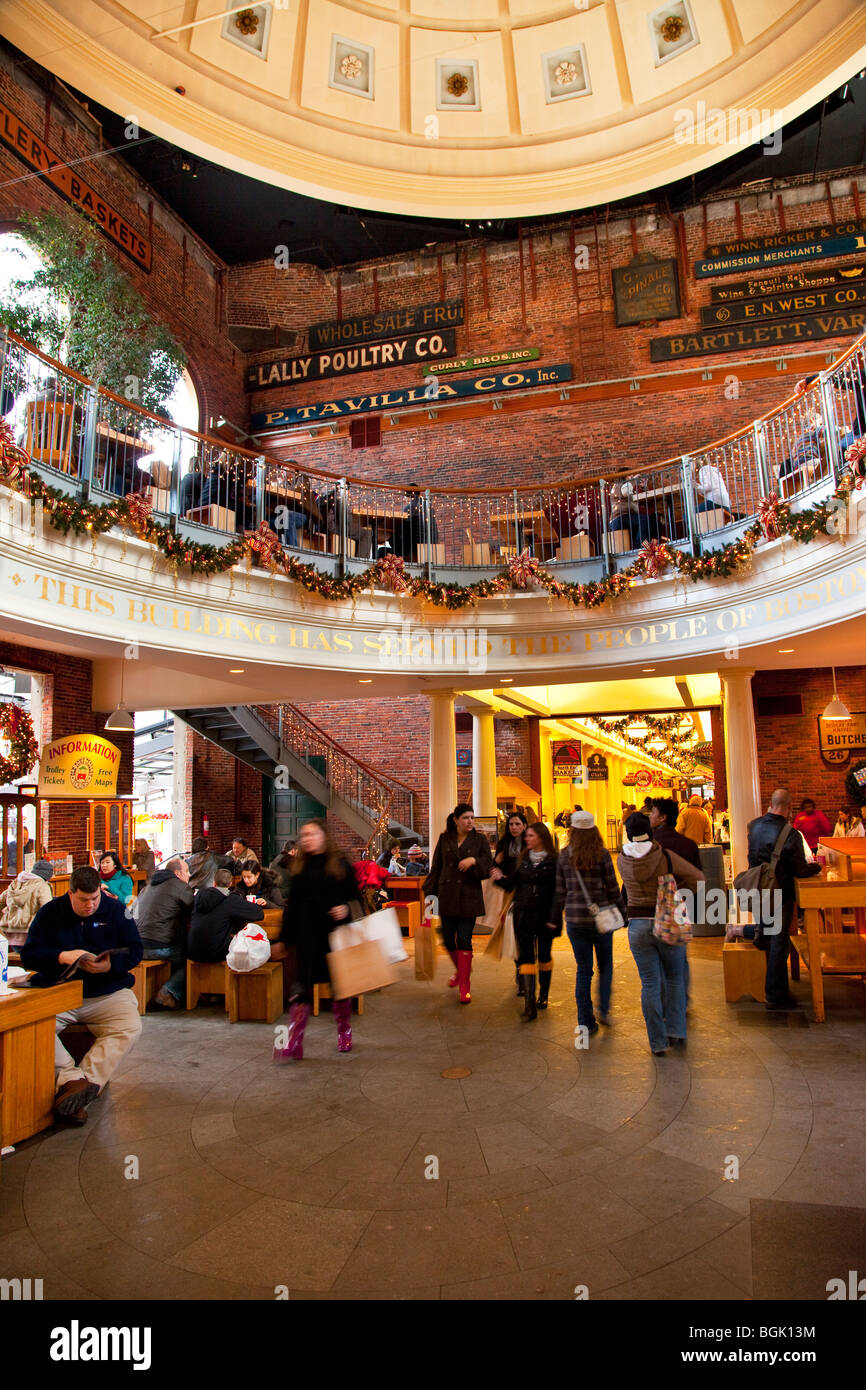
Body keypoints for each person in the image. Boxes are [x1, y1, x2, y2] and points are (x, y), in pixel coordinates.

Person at [20, 865, 143, 1124]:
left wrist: (111, 964)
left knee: (129, 1025)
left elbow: (135, 950)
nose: (90, 905)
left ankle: (84, 1084)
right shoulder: (50, 913)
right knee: (32, 1027)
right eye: (83, 900)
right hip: (60, 991)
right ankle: (71, 1078)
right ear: (70, 893)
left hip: (106, 991)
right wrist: (61, 957)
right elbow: (29, 954)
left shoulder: (117, 910)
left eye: (95, 898)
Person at [271, 819, 363, 1058]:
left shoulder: (340, 863)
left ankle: (344, 1031)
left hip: (334, 937)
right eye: (304, 835)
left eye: (312, 834)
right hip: (307, 938)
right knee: (300, 989)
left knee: (340, 989)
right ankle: (294, 1042)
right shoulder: (299, 868)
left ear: (324, 836)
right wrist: (282, 939)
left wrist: (345, 908)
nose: (307, 839)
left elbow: (356, 897)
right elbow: (292, 908)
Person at [618, 812, 703, 1056]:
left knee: (650, 984)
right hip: (668, 920)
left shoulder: (622, 859)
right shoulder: (663, 855)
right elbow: (698, 877)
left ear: (628, 832)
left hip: (637, 925)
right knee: (675, 979)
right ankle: (676, 1030)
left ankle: (657, 1043)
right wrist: (678, 892)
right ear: (650, 830)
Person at [746, 788, 821, 1011]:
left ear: (771, 803)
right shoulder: (791, 834)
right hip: (780, 892)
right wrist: (816, 866)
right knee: (779, 942)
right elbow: (800, 869)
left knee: (767, 934)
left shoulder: (754, 826)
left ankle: (766, 980)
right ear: (789, 807)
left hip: (759, 887)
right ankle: (776, 995)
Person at [552, 810, 626, 1034]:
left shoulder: (564, 856)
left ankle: (585, 1020)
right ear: (594, 830)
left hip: (575, 919)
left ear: (572, 831)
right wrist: (622, 912)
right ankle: (604, 1009)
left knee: (583, 970)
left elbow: (559, 891)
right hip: (601, 918)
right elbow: (613, 888)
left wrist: (559, 916)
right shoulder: (602, 854)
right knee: (605, 966)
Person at [424, 803, 492, 1004]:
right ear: (456, 820)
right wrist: (430, 896)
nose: (470, 821)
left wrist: (473, 861)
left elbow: (488, 864)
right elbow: (436, 867)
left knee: (464, 939)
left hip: (468, 896)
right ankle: (461, 971)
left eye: (472, 817)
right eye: (465, 817)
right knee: (446, 938)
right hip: (446, 895)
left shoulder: (479, 840)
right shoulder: (445, 839)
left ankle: (464, 984)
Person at [493, 821, 559, 1020]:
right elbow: (513, 884)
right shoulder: (523, 858)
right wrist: (499, 878)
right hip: (524, 913)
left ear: (541, 838)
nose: (527, 839)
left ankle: (544, 996)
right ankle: (530, 1002)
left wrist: (555, 916)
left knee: (544, 955)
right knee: (526, 956)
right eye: (527, 836)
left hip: (546, 915)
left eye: (531, 836)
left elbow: (559, 891)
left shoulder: (555, 860)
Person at [134, 856, 194, 1010]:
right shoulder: (181, 887)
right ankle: (168, 991)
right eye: (187, 871)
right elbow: (193, 911)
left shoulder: (146, 888)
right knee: (193, 958)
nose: (189, 875)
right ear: (177, 873)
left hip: (138, 946)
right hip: (160, 946)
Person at [187, 867, 265, 964]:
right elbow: (259, 914)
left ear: (214, 883)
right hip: (215, 953)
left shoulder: (199, 896)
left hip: (192, 950)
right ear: (230, 884)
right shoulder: (231, 899)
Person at [0, 858, 53, 947]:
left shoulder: (15, 884)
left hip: (10, 937)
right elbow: (48, 912)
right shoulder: (42, 886)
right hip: (32, 936)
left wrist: (4, 920)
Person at [648, 798, 702, 869]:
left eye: (653, 813)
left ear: (662, 817)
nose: (650, 816)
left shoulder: (651, 845)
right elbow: (699, 876)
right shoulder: (690, 845)